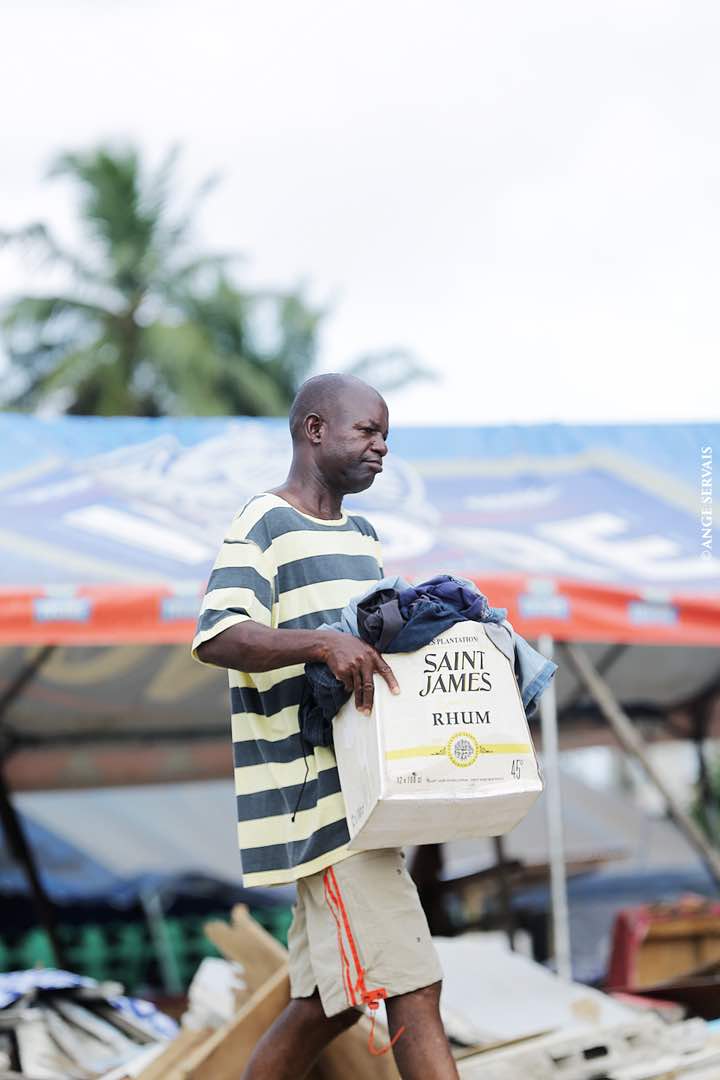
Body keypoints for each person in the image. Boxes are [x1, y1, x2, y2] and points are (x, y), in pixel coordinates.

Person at [193, 374, 459, 1080]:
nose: (382, 448)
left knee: (331, 1004)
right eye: (367, 432)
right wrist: (321, 643)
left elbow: (364, 656)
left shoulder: (363, 537)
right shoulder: (266, 523)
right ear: (314, 430)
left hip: (366, 795)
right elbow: (219, 633)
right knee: (413, 985)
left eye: (385, 435)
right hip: (321, 802)